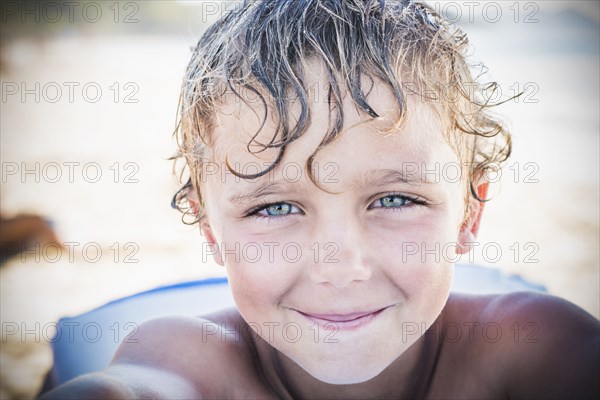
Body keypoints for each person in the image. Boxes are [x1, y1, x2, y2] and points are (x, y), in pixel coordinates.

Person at [42, 1, 599, 398]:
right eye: (275, 207)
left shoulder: (532, 349)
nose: (339, 269)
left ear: (470, 211)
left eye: (395, 199)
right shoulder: (187, 359)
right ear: (209, 229)